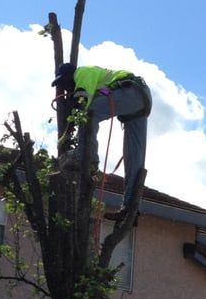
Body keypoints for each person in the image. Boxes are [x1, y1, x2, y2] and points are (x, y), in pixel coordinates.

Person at [51, 63, 153, 219]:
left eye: (63, 83)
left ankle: (87, 155)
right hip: (142, 98)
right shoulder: (95, 80)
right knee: (134, 157)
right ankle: (130, 209)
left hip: (130, 90)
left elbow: (82, 104)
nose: (65, 89)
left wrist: (70, 120)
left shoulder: (82, 73)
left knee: (89, 113)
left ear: (69, 76)